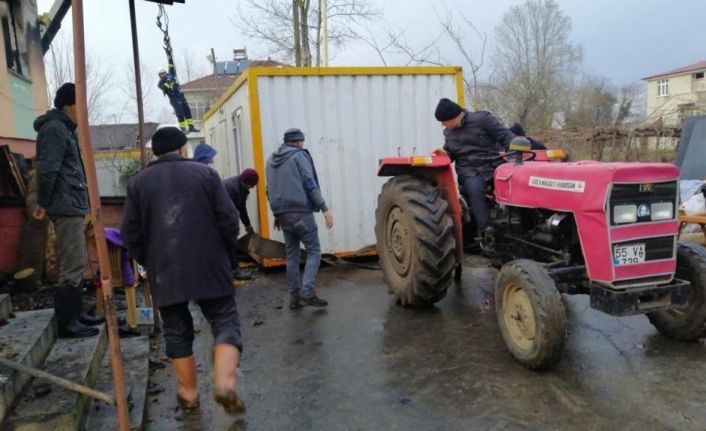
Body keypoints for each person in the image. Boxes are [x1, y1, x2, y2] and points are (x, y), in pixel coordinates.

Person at [121, 127, 245, 413]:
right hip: (209, 263)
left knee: (176, 331)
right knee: (224, 320)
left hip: (165, 271)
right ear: (181, 149)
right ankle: (225, 383)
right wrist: (226, 254)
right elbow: (229, 220)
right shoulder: (206, 175)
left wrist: (148, 259)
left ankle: (188, 394)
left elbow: (130, 232)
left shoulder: (138, 183)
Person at [33, 82, 103, 338]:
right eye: (80, 103)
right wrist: (42, 202)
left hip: (71, 203)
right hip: (64, 205)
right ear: (68, 105)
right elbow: (48, 169)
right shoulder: (55, 129)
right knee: (72, 265)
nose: (83, 109)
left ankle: (77, 313)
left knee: (78, 262)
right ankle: (67, 322)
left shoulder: (64, 128)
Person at [433, 98, 516, 250]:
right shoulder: (449, 132)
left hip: (493, 165)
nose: (443, 125)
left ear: (455, 116)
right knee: (474, 188)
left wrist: (515, 156)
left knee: (515, 182)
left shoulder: (483, 120)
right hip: (469, 171)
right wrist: (444, 154)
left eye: (444, 121)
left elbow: (506, 137)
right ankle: (486, 233)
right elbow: (452, 154)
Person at [266, 128, 333, 310]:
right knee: (314, 251)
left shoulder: (270, 161)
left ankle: (294, 297)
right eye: (302, 141)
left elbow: (268, 190)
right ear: (297, 141)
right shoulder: (299, 156)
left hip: (283, 214)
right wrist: (325, 208)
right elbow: (309, 183)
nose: (303, 144)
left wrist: (277, 214)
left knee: (292, 255)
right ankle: (308, 292)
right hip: (300, 212)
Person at [223, 169, 260, 281]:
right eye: (252, 185)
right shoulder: (231, 188)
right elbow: (227, 211)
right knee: (229, 242)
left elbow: (242, 208)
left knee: (229, 243)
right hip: (221, 218)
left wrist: (247, 225)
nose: (252, 188)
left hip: (224, 218)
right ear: (246, 182)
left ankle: (228, 270)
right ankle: (234, 271)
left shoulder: (240, 187)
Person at [157, 51, 198, 134]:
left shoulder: (171, 74)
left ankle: (191, 126)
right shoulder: (160, 83)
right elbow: (165, 88)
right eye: (161, 74)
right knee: (180, 112)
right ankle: (182, 127)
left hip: (180, 95)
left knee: (187, 110)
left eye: (164, 73)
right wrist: (169, 80)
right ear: (159, 76)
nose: (164, 74)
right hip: (174, 98)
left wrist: (169, 56)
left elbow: (171, 66)